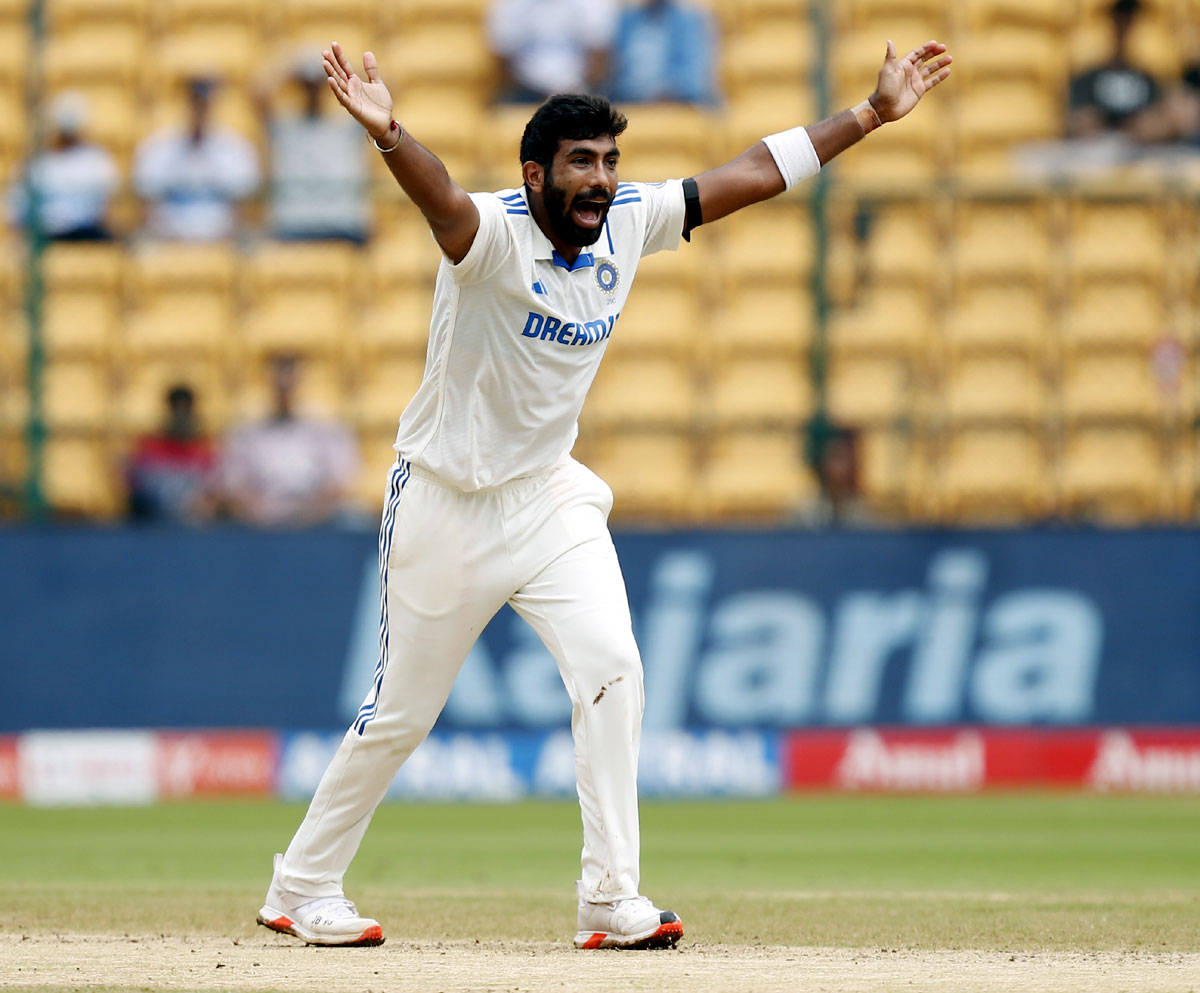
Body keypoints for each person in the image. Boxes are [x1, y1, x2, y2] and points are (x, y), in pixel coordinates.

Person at [256, 37, 952, 950]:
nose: (603, 180)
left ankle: (610, 897)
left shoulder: (627, 220)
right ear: (535, 173)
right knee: (401, 714)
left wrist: (868, 114)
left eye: (611, 161)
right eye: (581, 163)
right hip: (445, 500)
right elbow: (444, 205)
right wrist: (391, 136)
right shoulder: (494, 234)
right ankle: (300, 885)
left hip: (548, 497)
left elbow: (747, 172)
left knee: (614, 668)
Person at [219, 354, 360, 527]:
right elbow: (234, 484)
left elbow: (339, 482)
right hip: (260, 521)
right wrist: (258, 512)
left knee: (356, 521)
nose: (284, 391)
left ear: (298, 384)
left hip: (318, 518)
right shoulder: (246, 432)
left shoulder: (326, 427)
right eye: (279, 385)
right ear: (269, 385)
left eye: (289, 384)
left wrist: (310, 513)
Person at [258, 53, 370, 243]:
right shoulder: (285, 127)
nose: (313, 91)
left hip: (343, 224)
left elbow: (383, 95)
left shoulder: (345, 127)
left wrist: (338, 68)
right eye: (307, 85)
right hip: (293, 225)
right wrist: (294, 64)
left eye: (318, 84)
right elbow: (258, 96)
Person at [132, 76, 260, 241]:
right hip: (169, 245)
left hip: (222, 245)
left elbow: (243, 209)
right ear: (186, 103)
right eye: (195, 102)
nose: (199, 109)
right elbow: (147, 207)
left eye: (204, 103)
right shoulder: (158, 147)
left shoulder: (236, 149)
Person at [6, 91, 120, 241]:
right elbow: (15, 210)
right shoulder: (35, 162)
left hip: (85, 233)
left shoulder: (97, 160)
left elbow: (108, 209)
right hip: (45, 234)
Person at [1067, 0, 1170, 142]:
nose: (1124, 29)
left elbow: (1157, 125)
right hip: (1097, 155)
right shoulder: (1086, 78)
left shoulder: (1149, 80)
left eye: (1129, 22)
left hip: (1139, 156)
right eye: (1119, 21)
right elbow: (1081, 124)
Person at [487, 0, 618, 102]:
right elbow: (502, 61)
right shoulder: (510, 4)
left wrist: (572, 91)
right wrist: (539, 93)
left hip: (580, 91)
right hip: (525, 93)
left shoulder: (592, 3)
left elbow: (600, 59)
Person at [126, 384, 218, 524]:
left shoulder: (206, 450)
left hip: (198, 528)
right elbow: (138, 494)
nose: (180, 415)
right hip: (156, 527)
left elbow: (216, 494)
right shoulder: (149, 448)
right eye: (176, 409)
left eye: (185, 409)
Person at [606, 0, 720, 106]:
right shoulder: (626, 20)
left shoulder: (688, 21)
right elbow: (614, 78)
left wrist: (663, 93)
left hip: (673, 107)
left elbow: (694, 80)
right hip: (630, 104)